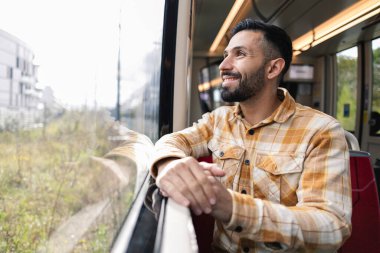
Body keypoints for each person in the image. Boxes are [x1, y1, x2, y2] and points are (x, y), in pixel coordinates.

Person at [150, 19, 351, 252]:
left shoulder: (321, 130)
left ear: (273, 69)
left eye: (240, 54)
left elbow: (331, 227)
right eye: (226, 55)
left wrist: (232, 207)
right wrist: (168, 165)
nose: (224, 65)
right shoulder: (219, 120)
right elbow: (174, 140)